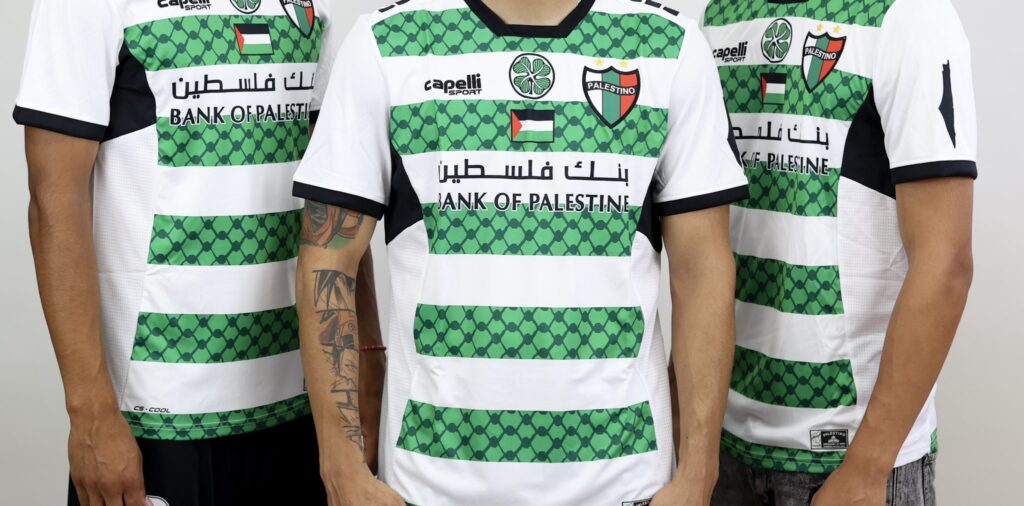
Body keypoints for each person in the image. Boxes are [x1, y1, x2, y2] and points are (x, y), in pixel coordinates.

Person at [292, 0, 750, 504]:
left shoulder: (670, 47)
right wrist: (340, 467)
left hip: (625, 483)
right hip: (430, 486)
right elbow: (328, 256)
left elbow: (701, 270)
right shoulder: (387, 44)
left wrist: (698, 472)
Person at [15, 1, 384, 504]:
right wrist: (91, 414)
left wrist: (365, 363)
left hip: (303, 406)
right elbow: (54, 200)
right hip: (158, 414)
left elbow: (339, 197)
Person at [700, 0, 977, 504]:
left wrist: (868, 466)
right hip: (723, 446)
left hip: (848, 461)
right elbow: (701, 250)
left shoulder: (909, 15)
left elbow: (946, 264)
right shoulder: (720, 14)